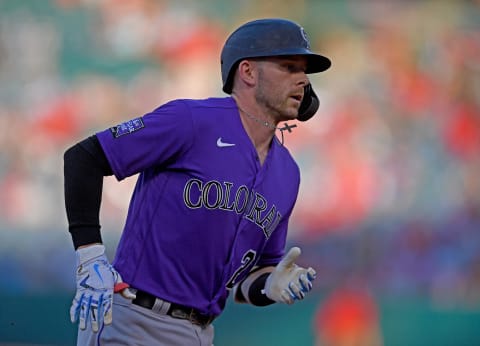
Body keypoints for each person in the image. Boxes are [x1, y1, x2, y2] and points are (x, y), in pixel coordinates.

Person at [64, 18, 331, 346]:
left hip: (199, 333)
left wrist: (270, 285)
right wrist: (89, 256)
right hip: (133, 318)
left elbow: (250, 279)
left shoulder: (288, 173)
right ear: (247, 72)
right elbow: (84, 158)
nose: (303, 80)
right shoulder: (191, 121)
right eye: (289, 66)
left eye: (304, 70)